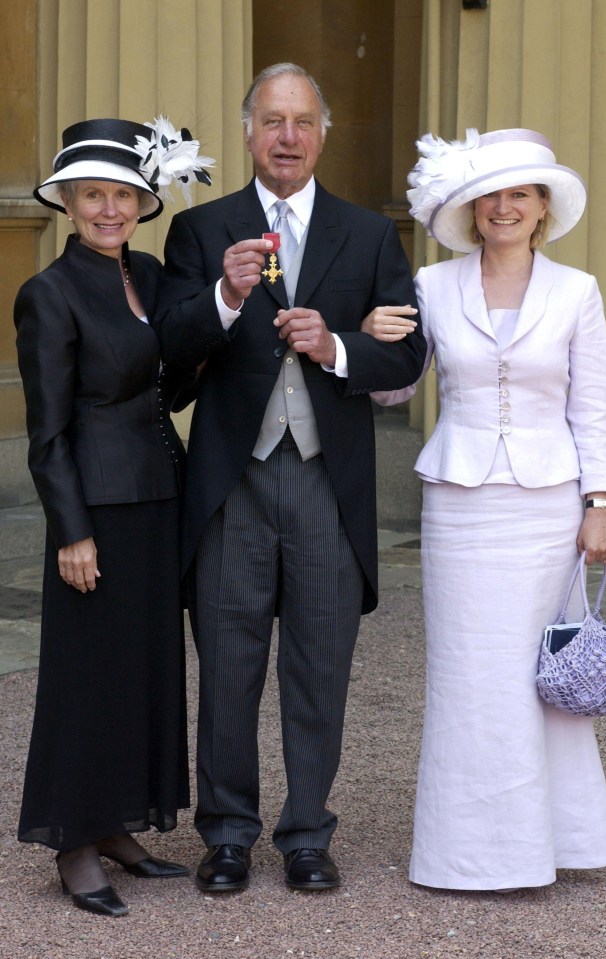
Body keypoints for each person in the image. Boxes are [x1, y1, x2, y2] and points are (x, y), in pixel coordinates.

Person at [156, 62, 426, 892]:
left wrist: (336, 344)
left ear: (321, 133)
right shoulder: (203, 230)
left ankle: (307, 832)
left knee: (319, 665)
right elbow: (167, 349)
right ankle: (228, 833)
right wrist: (226, 300)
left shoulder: (369, 233)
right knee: (228, 668)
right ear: (247, 131)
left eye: (302, 121)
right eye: (272, 120)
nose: (287, 136)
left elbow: (408, 349)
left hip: (324, 483)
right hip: (232, 483)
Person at [362, 127, 606, 891]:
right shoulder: (433, 286)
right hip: (460, 507)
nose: (504, 208)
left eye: (519, 195)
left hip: (548, 507)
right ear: (471, 212)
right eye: (490, 198)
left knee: (543, 673)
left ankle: (560, 841)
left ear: (541, 208)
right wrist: (375, 340)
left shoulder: (575, 290)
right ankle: (469, 853)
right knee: (470, 674)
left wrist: (598, 503)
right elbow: (394, 390)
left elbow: (593, 403)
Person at [14, 117, 212, 916]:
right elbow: (48, 428)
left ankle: (121, 824)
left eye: (123, 194)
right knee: (87, 675)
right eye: (92, 194)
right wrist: (71, 530)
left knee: (145, 666)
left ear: (142, 202)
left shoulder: (154, 277)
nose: (109, 209)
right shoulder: (48, 294)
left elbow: (165, 388)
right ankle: (73, 842)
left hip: (162, 494)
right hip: (95, 509)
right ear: (65, 202)